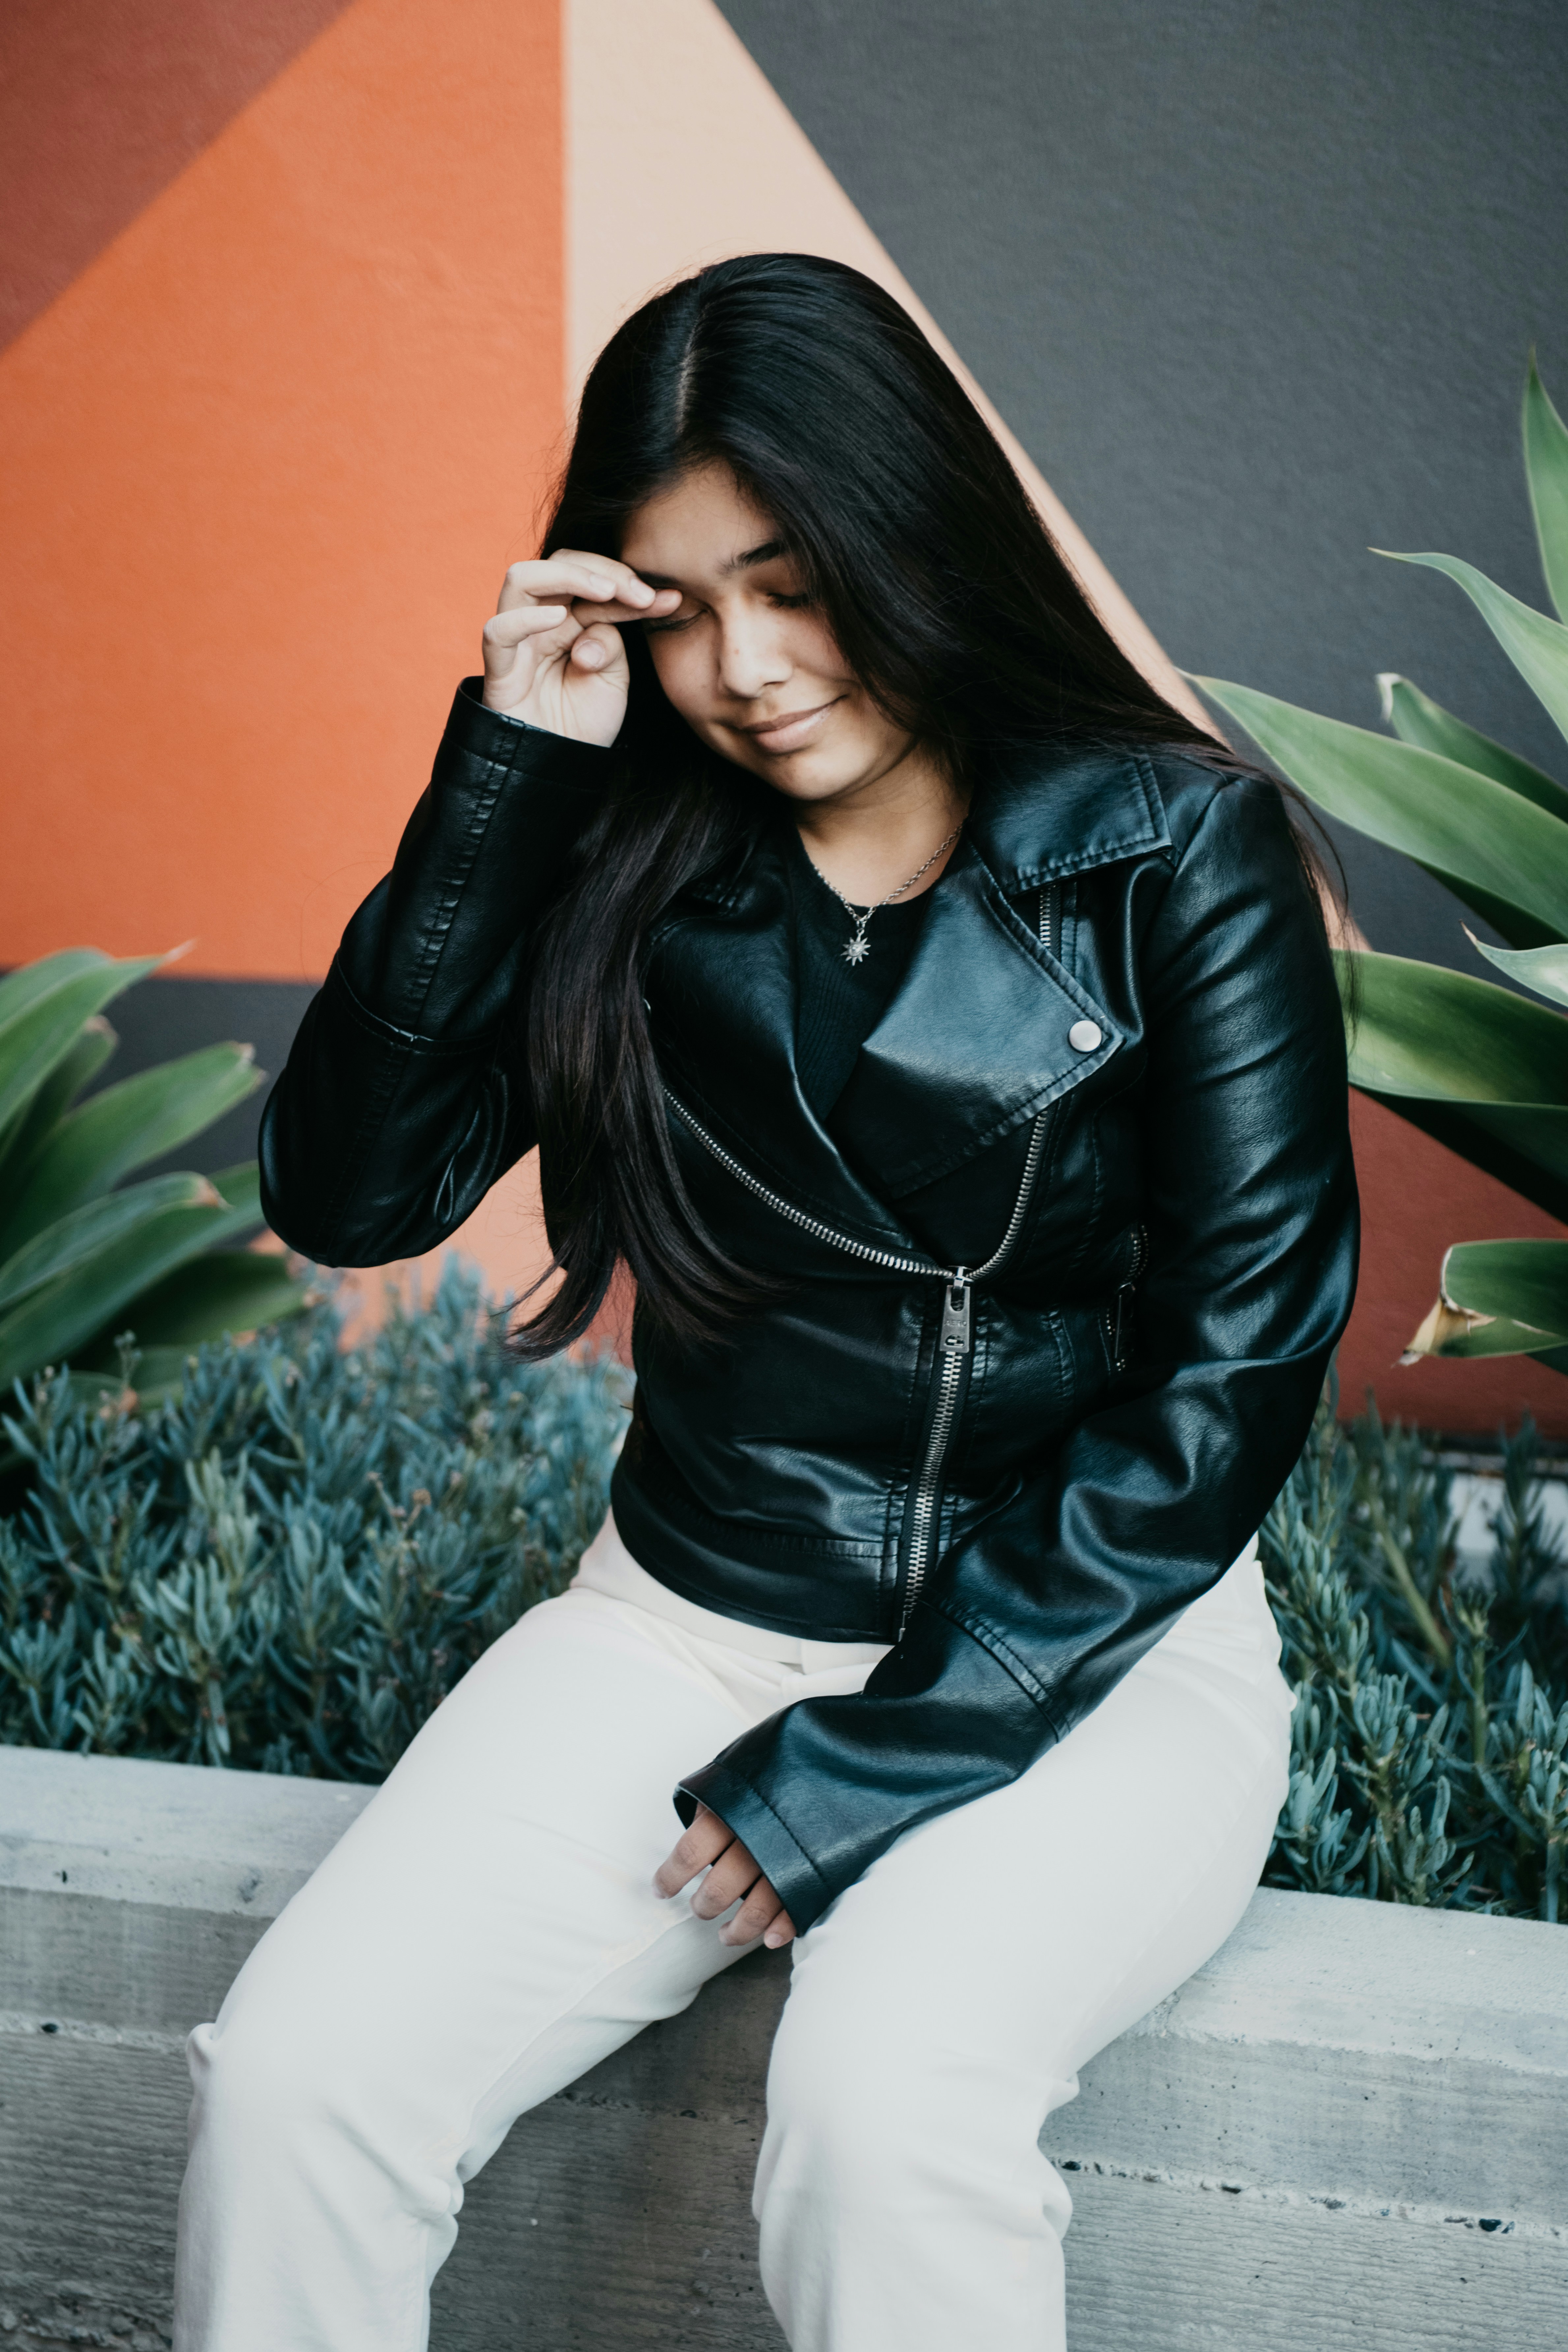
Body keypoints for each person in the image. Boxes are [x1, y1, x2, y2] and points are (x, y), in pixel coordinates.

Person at [172, 252, 1357, 2351]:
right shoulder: (622, 848)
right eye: (674, 600)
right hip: (686, 1615)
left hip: (1093, 1654)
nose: (744, 665)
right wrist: (502, 782)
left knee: (889, 2105)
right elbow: (350, 1193)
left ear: (914, 533)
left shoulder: (1176, 845)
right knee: (298, 2080)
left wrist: (877, 1761)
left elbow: (1237, 1367)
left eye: (792, 579)